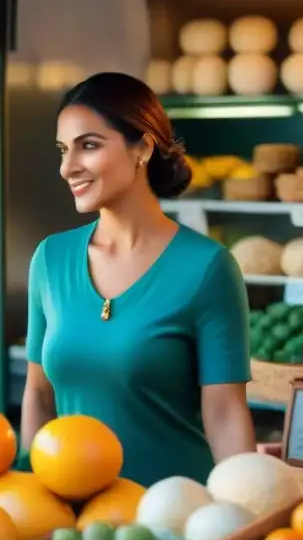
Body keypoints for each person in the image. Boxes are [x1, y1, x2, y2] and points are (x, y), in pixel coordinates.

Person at [21, 72, 256, 487]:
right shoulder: (50, 260)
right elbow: (40, 396)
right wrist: (37, 494)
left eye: (88, 146)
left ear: (143, 148)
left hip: (172, 520)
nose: (67, 167)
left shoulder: (207, 267)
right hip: (75, 526)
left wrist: (240, 512)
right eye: (63, 150)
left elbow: (224, 412)